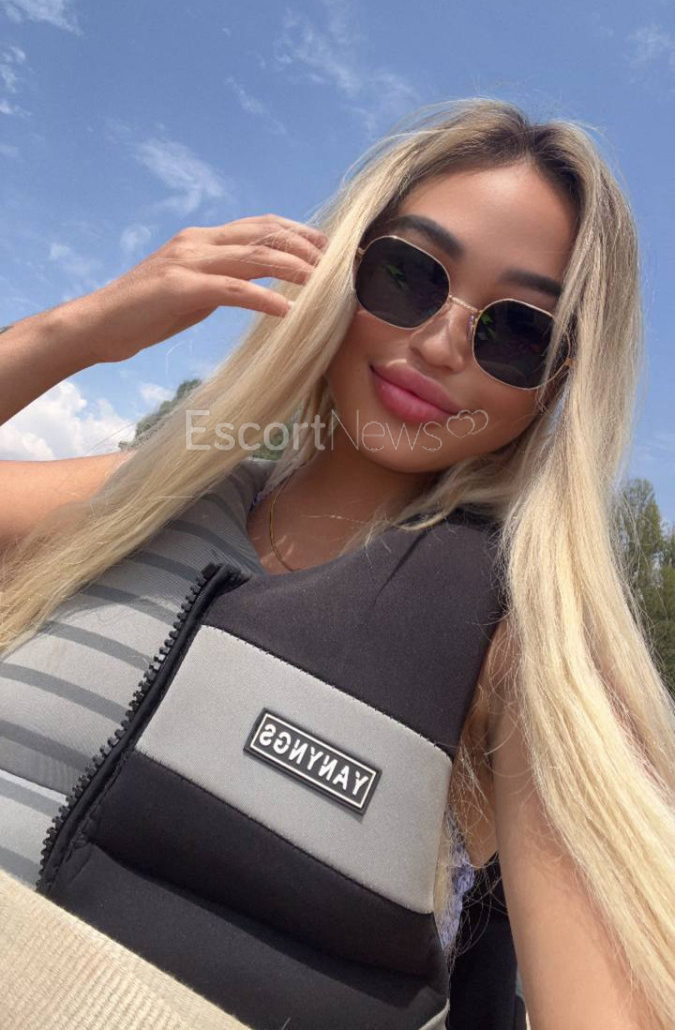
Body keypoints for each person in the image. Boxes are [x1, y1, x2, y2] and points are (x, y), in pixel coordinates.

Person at [0, 97, 672, 1029]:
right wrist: (82, 328)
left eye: (517, 333)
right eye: (409, 274)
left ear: (555, 387)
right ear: (338, 272)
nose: (437, 344)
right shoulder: (149, 497)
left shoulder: (519, 651)